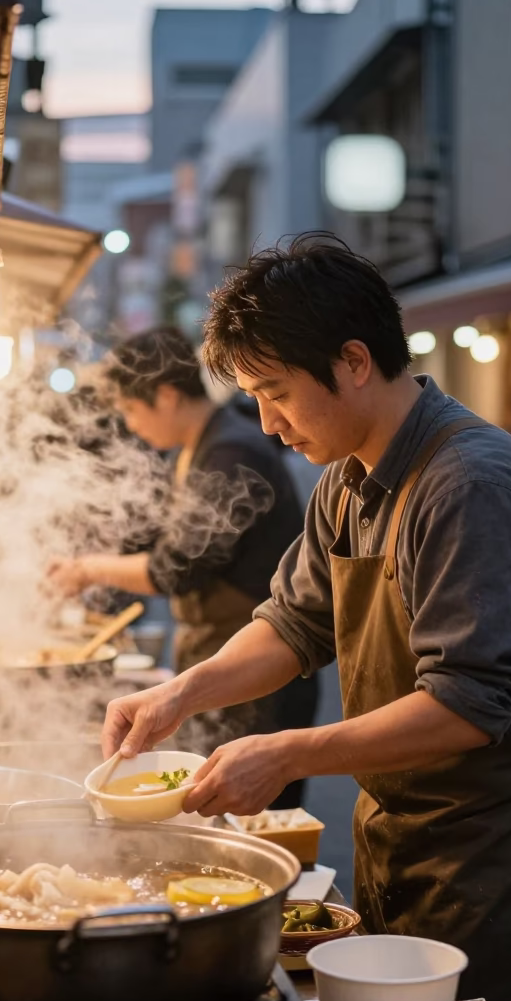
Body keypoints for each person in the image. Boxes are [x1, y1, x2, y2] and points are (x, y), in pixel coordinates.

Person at [99, 235, 511, 1001]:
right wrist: (177, 694)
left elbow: (468, 705)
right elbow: (292, 621)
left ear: (354, 360)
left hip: (503, 849)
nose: (267, 422)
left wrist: (287, 752)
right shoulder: (349, 478)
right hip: (407, 830)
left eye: (276, 390)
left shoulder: (468, 484)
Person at [49, 325, 317, 780]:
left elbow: (177, 567)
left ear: (168, 395)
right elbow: (157, 539)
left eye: (131, 409)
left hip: (254, 674)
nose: (130, 424)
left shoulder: (231, 450)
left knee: (241, 822)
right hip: (219, 662)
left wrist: (90, 569)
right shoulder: (197, 447)